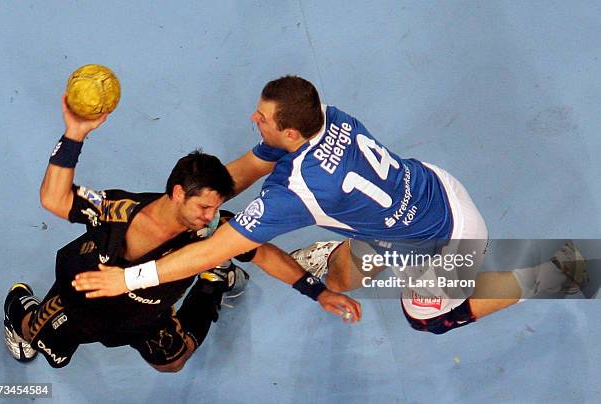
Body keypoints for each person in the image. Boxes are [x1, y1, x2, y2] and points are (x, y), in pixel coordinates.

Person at [72, 76, 588, 334]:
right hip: (431, 188)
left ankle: (552, 277)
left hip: (450, 242)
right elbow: (243, 172)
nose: (255, 121)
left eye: (262, 119)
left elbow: (214, 252)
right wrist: (184, 199)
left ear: (291, 128)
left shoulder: (297, 191)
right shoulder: (327, 115)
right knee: (342, 273)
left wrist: (127, 279)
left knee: (425, 319)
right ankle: (343, 256)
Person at [3, 95, 361, 370]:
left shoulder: (209, 232)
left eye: (216, 208)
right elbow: (55, 198)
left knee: (172, 362)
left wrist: (318, 293)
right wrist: (75, 133)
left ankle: (214, 278)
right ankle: (17, 304)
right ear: (177, 193)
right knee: (40, 338)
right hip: (77, 303)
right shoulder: (116, 209)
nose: (211, 217)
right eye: (204, 208)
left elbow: (265, 254)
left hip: (147, 315)